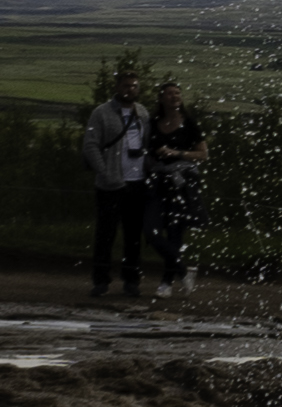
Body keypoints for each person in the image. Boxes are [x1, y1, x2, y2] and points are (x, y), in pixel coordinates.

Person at [80, 61, 151, 299]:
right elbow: (90, 145)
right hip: (110, 184)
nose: (130, 89)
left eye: (134, 86)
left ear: (138, 89)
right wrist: (105, 172)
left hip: (137, 182)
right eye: (126, 85)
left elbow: (147, 144)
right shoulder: (101, 113)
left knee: (133, 236)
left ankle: (131, 281)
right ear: (117, 87)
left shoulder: (143, 112)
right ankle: (101, 281)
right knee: (105, 235)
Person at [143, 83, 208, 292]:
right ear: (161, 99)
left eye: (178, 93)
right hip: (158, 182)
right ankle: (182, 270)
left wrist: (177, 153)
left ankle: (166, 282)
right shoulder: (153, 123)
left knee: (175, 234)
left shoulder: (189, 124)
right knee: (151, 232)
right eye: (170, 93)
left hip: (182, 185)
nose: (175, 96)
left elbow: (203, 154)